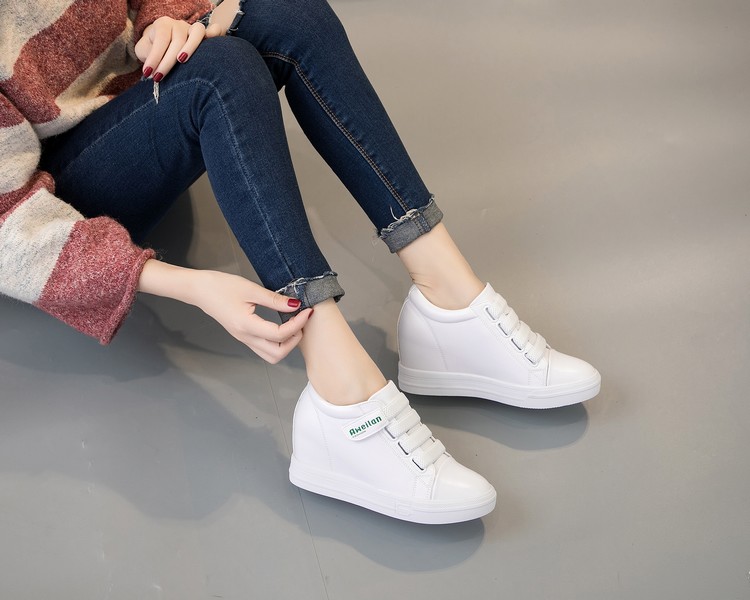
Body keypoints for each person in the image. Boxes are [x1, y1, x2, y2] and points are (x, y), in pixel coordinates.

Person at [0, 0, 600, 524]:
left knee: (291, 14)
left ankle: (450, 302)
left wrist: (166, 20)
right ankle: (343, 399)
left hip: (135, 97)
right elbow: (9, 224)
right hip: (54, 197)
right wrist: (188, 285)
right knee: (219, 75)